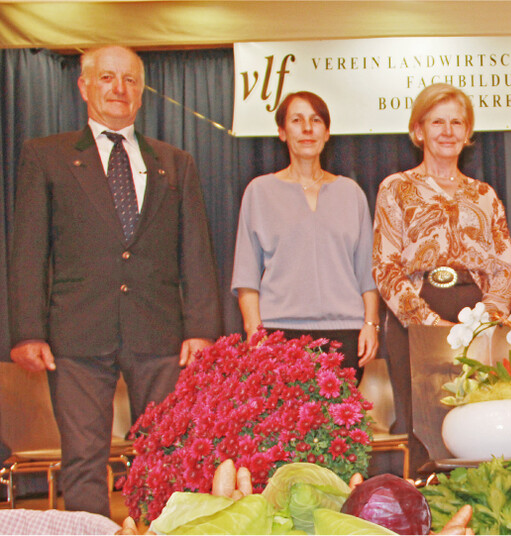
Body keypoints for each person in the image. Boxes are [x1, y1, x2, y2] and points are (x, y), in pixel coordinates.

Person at [7, 46, 222, 516]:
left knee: (164, 456)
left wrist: (202, 328)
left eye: (128, 80)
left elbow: (196, 252)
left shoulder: (176, 162)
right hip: (77, 334)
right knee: (83, 460)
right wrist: (27, 331)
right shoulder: (46, 157)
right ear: (84, 87)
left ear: (142, 92)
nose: (118, 89)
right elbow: (27, 251)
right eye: (106, 78)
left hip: (159, 333)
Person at [373, 83, 511, 469]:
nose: (448, 130)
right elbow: (385, 266)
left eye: (457, 122)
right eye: (437, 121)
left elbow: (508, 265)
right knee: (422, 425)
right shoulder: (396, 187)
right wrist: (427, 324)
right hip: (416, 316)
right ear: (418, 130)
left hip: (478, 316)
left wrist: (487, 319)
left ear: (467, 132)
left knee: (478, 417)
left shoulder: (485, 194)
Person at [231, 91, 380, 379]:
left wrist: (370, 325)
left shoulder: (351, 193)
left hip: (344, 333)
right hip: (277, 333)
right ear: (282, 132)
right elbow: (247, 275)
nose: (307, 129)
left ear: (327, 133)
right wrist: (254, 331)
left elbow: (367, 274)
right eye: (297, 120)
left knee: (338, 423)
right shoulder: (259, 192)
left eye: (316, 120)